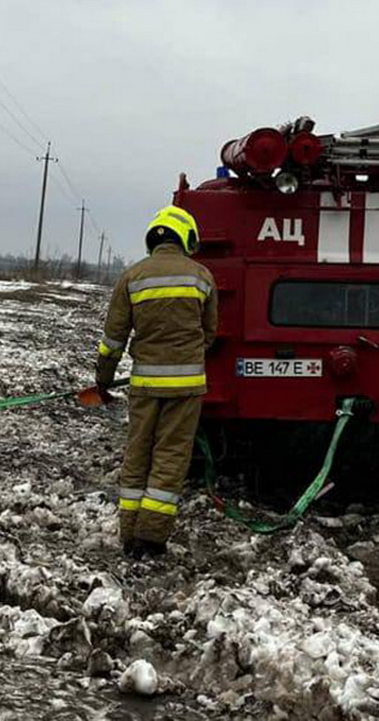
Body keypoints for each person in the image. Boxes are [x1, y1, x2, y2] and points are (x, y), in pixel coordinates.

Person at [94, 205, 217, 559]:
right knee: (170, 456)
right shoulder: (202, 277)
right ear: (186, 238)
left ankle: (129, 533)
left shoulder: (132, 277)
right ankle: (151, 539)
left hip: (144, 385)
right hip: (186, 387)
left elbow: (112, 340)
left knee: (138, 452)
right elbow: (209, 333)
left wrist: (102, 380)